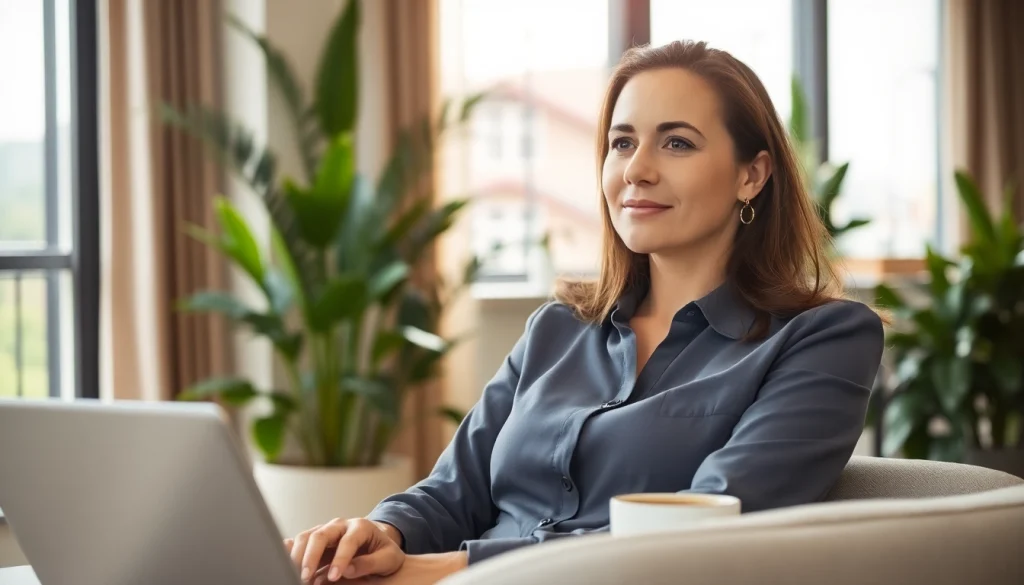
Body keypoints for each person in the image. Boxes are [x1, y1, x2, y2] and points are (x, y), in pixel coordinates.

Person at [286, 39, 885, 584]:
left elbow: (700, 538)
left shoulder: (825, 339)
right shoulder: (557, 329)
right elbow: (451, 492)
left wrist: (447, 570)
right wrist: (376, 536)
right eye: (622, 142)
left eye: (677, 143)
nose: (636, 169)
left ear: (751, 175)